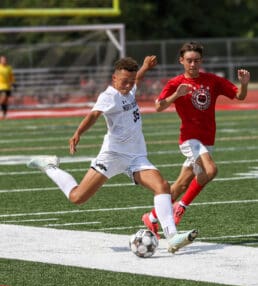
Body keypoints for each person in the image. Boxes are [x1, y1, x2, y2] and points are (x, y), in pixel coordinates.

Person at [27, 56, 198, 253]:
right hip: (112, 156)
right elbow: (93, 115)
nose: (128, 86)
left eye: (131, 81)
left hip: (136, 157)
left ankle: (172, 236)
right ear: (114, 79)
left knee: (162, 186)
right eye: (124, 81)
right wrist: (78, 133)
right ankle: (50, 166)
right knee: (77, 197)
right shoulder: (109, 95)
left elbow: (137, 80)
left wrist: (143, 68)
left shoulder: (129, 87)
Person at [142, 41, 250, 237]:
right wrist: (177, 94)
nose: (193, 64)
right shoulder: (175, 83)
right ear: (181, 60)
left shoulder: (212, 80)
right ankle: (181, 207)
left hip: (207, 139)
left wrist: (243, 84)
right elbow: (158, 106)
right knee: (211, 169)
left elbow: (240, 96)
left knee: (181, 185)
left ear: (201, 61)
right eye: (189, 60)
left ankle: (151, 217)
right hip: (189, 140)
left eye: (197, 60)